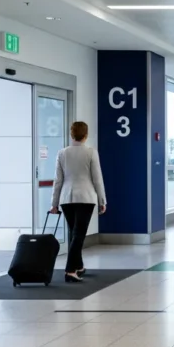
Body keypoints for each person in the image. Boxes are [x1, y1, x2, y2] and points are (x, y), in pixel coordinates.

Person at [49, 121, 107, 283]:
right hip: (86, 198)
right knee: (79, 234)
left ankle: (79, 266)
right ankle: (70, 270)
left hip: (66, 198)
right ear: (86, 135)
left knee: (75, 233)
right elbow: (97, 179)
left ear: (71, 134)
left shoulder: (62, 153)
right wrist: (102, 199)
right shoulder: (91, 153)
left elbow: (58, 181)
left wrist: (54, 203)